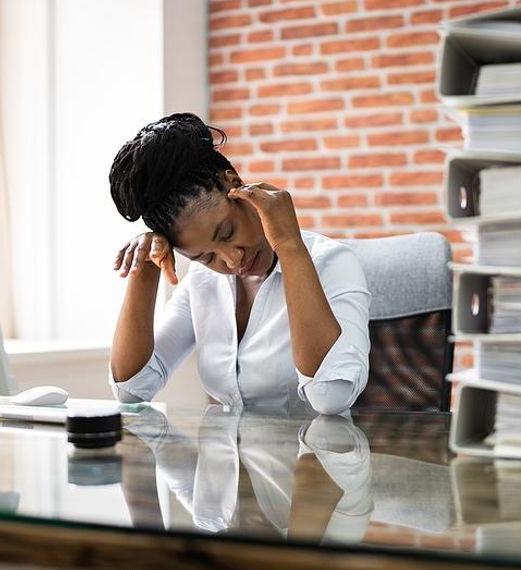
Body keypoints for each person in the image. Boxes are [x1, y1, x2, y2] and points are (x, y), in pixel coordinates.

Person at [107, 113, 371, 414]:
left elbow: (331, 396)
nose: (233, 260)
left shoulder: (333, 263)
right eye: (206, 257)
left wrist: (290, 246)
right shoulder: (201, 283)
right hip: (224, 459)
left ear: (234, 185)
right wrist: (146, 269)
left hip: (311, 458)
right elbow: (131, 391)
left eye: (228, 232)